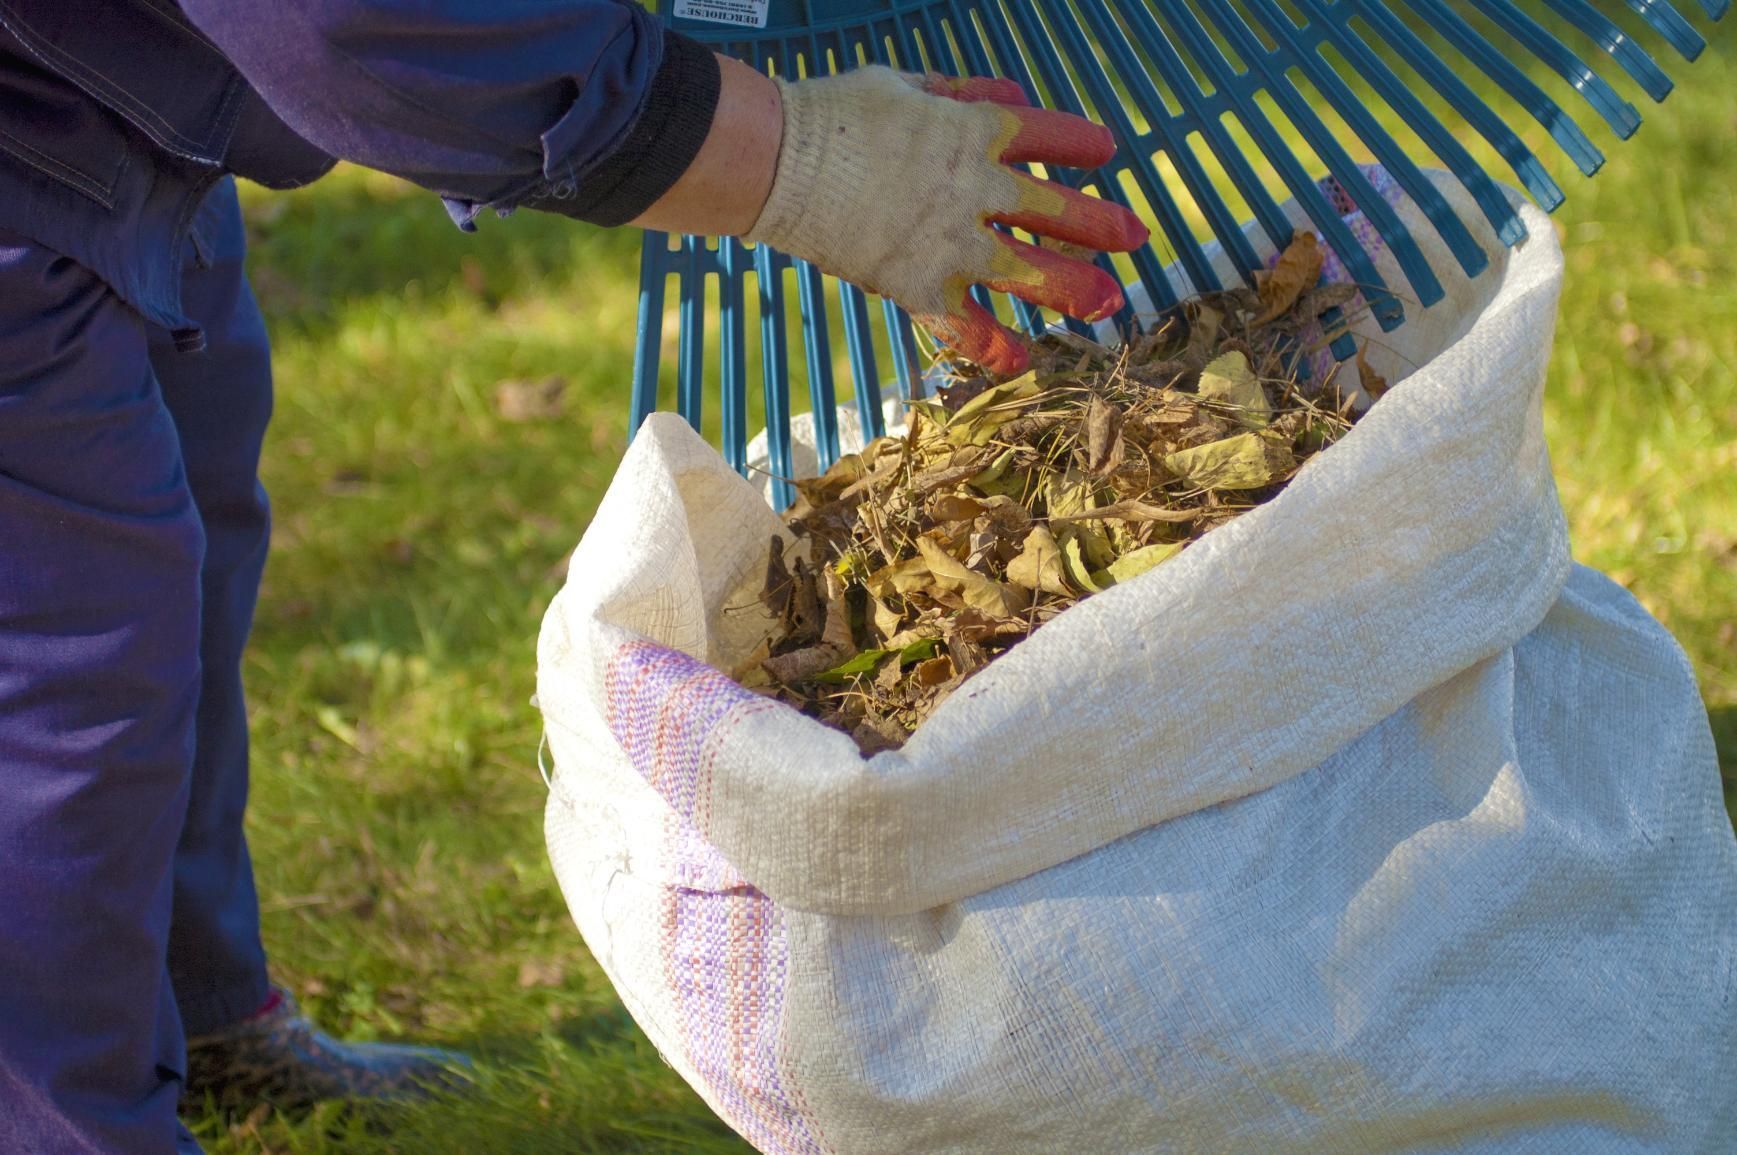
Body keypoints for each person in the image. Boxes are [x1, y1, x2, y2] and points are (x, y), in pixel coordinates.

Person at [0, 0, 1146, 1151]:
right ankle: (62, 1121)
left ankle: (187, 1016)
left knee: (187, 547)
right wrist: (782, 156)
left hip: (127, 97)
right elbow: (341, 19)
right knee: (68, 658)